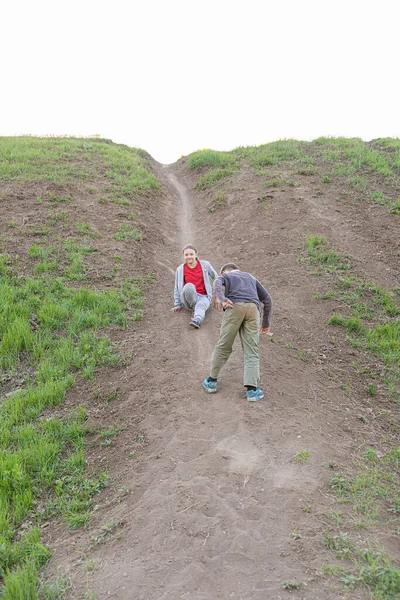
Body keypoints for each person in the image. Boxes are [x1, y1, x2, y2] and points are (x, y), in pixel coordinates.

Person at [202, 263, 272, 401]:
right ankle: (252, 391)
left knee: (224, 345)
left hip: (234, 307)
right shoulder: (250, 277)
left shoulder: (225, 276)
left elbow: (216, 282)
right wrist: (265, 323)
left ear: (223, 272)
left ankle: (211, 381)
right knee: (251, 350)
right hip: (253, 309)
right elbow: (268, 299)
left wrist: (223, 299)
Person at [172, 245, 218, 328]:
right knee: (189, 286)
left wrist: (217, 296)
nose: (189, 256)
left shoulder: (205, 265)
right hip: (188, 299)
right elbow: (176, 287)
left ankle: (197, 320)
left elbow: (217, 278)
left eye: (191, 254)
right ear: (184, 256)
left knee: (201, 304)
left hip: (204, 296)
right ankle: (194, 308)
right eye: (186, 255)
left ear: (195, 255)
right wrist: (177, 304)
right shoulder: (180, 269)